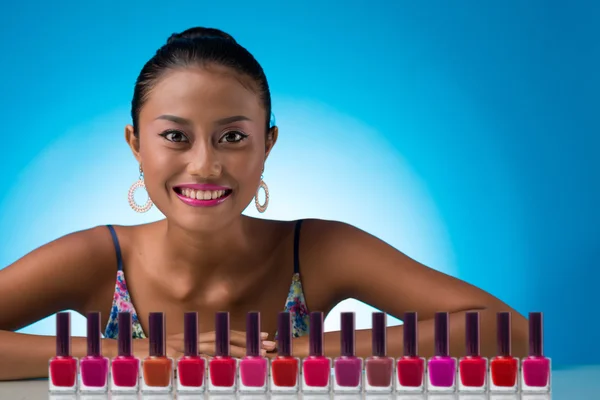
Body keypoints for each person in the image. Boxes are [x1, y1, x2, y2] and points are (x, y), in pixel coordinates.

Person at [0, 27, 528, 380]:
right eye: (175, 137)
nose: (204, 165)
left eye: (232, 137)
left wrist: (310, 350)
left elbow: (511, 331)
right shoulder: (98, 258)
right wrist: (130, 354)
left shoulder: (319, 249)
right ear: (136, 144)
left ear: (268, 144)